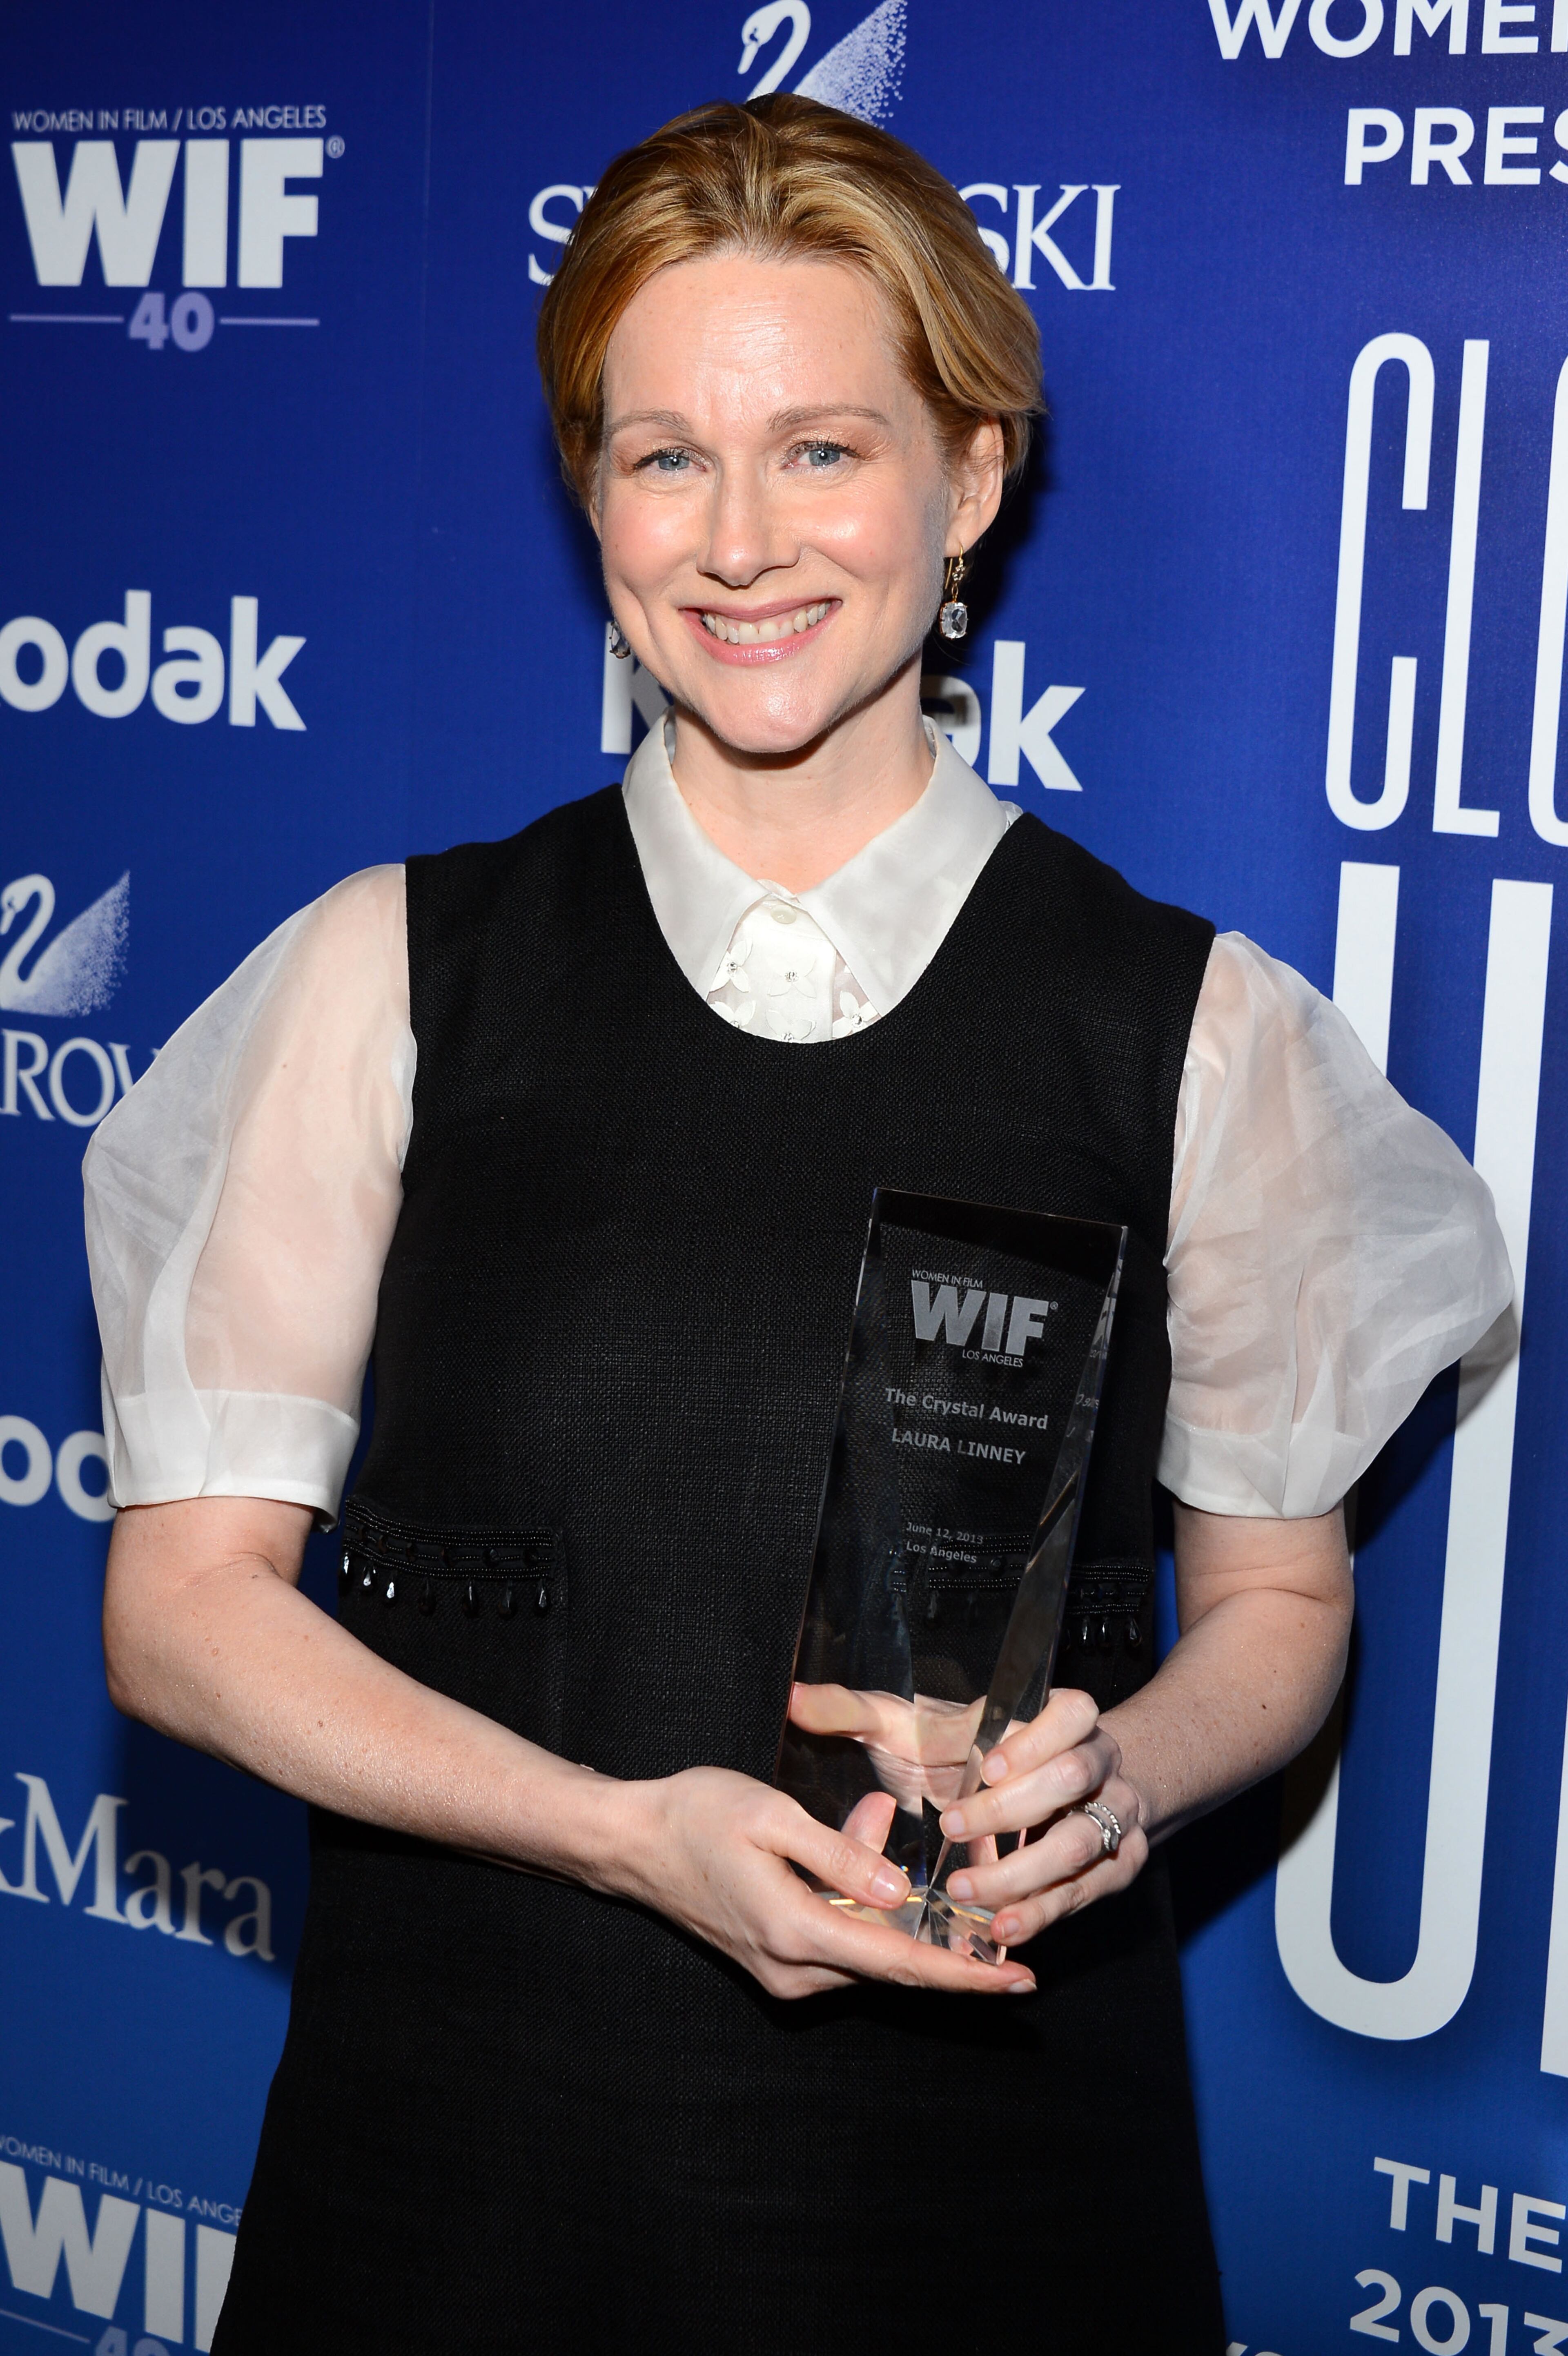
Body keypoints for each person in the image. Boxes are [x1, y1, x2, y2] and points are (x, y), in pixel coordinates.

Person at [85, 95, 1510, 2354]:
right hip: (463, 2171)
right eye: (663, 457)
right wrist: (617, 1830)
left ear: (971, 480)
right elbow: (176, 1616)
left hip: (990, 2201)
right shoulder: (392, 970)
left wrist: (1121, 1772)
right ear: (593, 499)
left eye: (823, 450)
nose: (738, 542)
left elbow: (1271, 1605)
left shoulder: (1197, 1028)